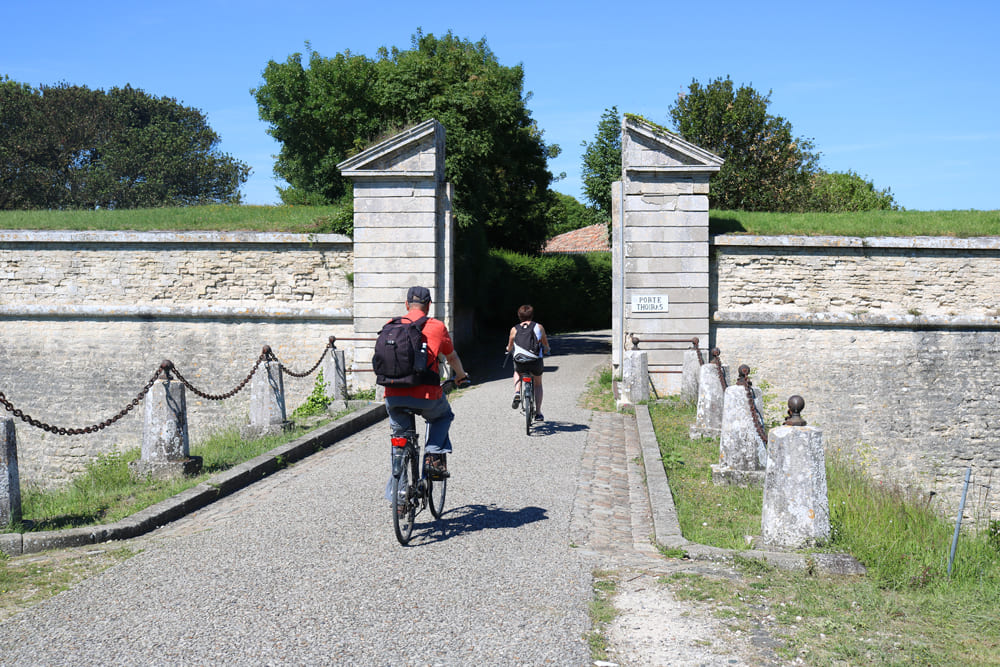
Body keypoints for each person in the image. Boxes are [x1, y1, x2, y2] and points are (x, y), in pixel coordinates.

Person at [383, 286, 469, 478]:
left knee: (399, 444)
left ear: (406, 304)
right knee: (443, 416)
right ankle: (433, 455)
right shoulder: (437, 326)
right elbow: (451, 357)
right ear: (429, 306)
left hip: (393, 395)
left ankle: (400, 500)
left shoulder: (391, 324)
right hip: (426, 395)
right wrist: (461, 375)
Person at [506, 304, 551, 421]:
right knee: (538, 384)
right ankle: (539, 413)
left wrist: (508, 349)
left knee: (516, 372)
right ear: (532, 315)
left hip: (520, 361)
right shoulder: (539, 327)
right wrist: (547, 349)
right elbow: (545, 344)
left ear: (519, 316)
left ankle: (517, 392)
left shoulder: (514, 329)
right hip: (535, 361)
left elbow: (510, 347)